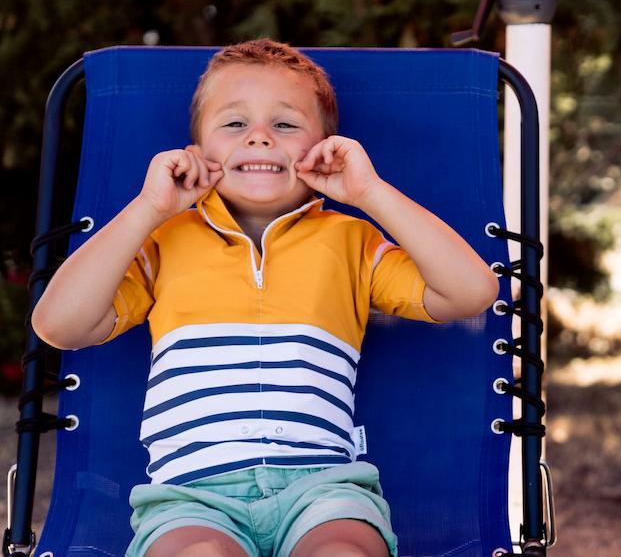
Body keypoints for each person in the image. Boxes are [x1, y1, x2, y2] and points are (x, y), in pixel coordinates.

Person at [32, 39, 500, 557]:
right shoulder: (162, 242)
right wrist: (148, 208)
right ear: (197, 150)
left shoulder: (352, 242)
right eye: (234, 124)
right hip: (192, 497)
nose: (259, 138)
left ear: (325, 144)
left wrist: (370, 192)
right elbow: (59, 325)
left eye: (285, 124)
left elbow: (472, 291)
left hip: (323, 490)